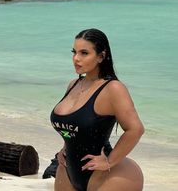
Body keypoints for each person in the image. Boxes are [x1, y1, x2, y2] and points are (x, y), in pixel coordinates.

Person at [50, 28, 144, 191]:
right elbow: (73, 128)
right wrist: (64, 148)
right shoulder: (73, 85)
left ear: (101, 56)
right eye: (74, 52)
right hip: (67, 171)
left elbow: (135, 129)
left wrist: (109, 161)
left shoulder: (113, 88)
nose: (76, 59)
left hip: (109, 175)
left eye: (84, 53)